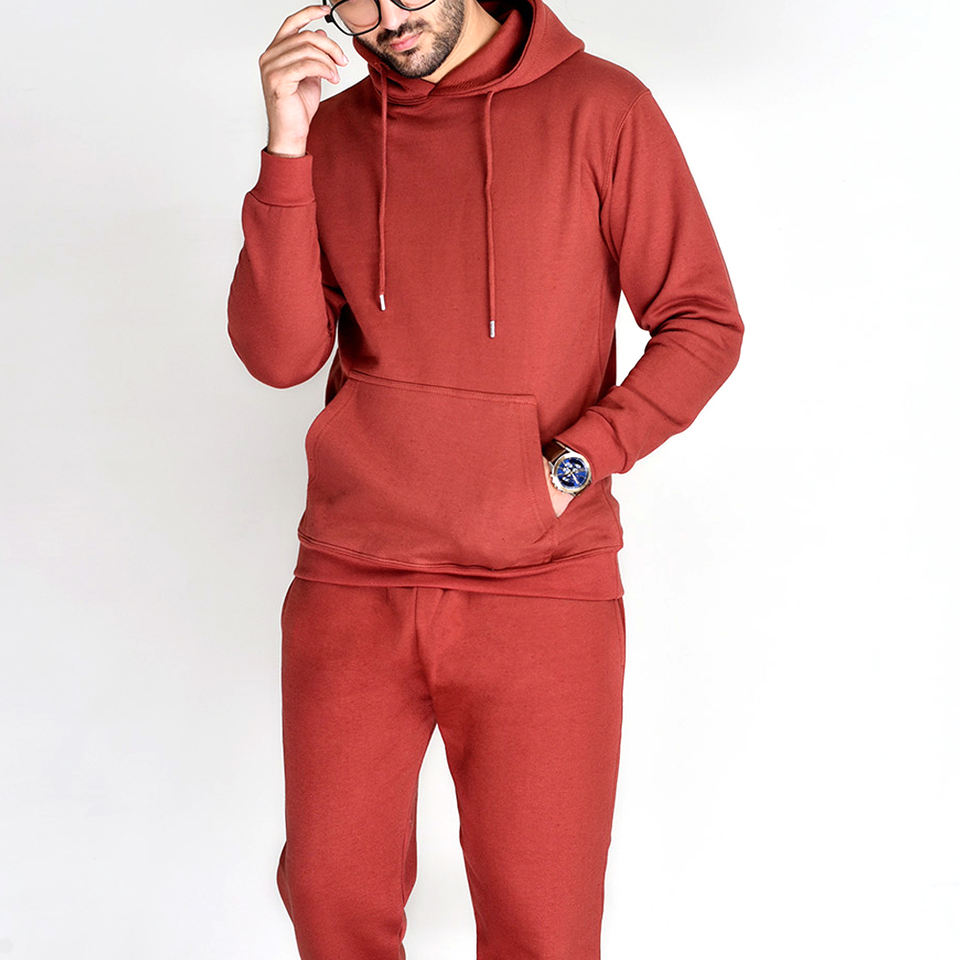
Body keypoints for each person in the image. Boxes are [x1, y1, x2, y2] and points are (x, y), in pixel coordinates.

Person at [227, 0, 744, 955]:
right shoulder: (335, 132)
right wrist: (287, 147)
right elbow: (279, 355)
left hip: (541, 590)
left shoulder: (604, 108)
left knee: (542, 926)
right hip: (353, 578)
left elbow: (702, 322)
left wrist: (575, 463)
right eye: (357, 1)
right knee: (332, 905)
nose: (386, 19)